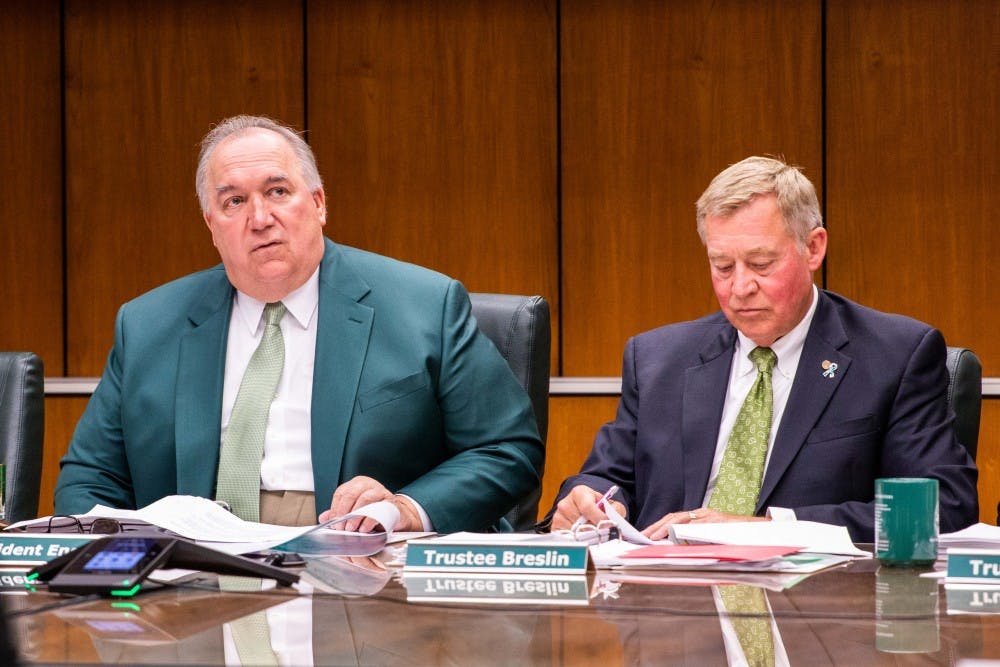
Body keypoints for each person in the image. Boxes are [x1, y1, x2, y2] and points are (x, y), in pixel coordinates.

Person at [54, 115, 543, 533]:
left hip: (364, 577)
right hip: (193, 578)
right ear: (211, 224)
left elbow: (506, 449)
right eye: (235, 202)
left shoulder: (425, 306)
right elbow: (88, 479)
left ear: (318, 203)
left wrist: (404, 510)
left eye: (277, 191)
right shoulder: (147, 325)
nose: (260, 217)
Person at [549, 156, 978, 542]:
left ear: (813, 248)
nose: (740, 287)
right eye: (722, 266)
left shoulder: (895, 356)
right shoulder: (658, 358)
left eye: (760, 264)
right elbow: (608, 477)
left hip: (818, 612)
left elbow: (946, 507)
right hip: (671, 605)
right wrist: (591, 502)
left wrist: (768, 530)